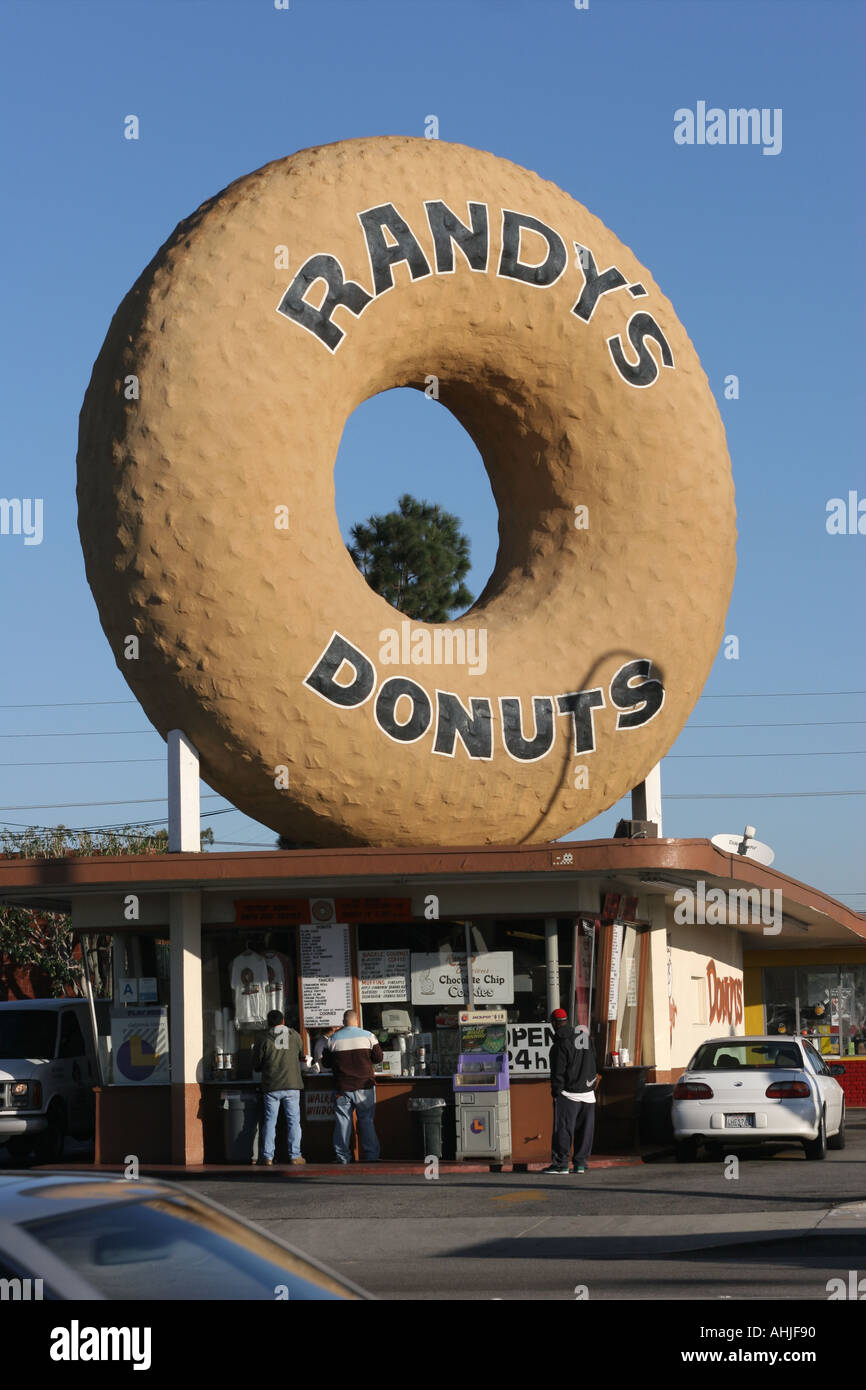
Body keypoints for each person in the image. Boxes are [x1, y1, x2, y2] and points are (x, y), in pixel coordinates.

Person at [542, 1007, 599, 1175]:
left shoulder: (560, 1044)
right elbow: (593, 1060)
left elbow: (558, 1072)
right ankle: (580, 1163)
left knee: (564, 1130)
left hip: (569, 1094)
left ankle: (561, 1164)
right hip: (589, 1093)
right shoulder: (584, 1037)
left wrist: (556, 1092)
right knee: (584, 1131)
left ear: (554, 1023)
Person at [321, 1009, 383, 1164]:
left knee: (343, 1121)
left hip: (342, 1087)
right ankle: (371, 1155)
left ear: (343, 1022)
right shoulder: (369, 1036)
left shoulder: (333, 1039)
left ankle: (343, 1157)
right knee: (366, 1120)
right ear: (357, 1021)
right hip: (364, 1086)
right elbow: (378, 1058)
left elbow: (326, 1063)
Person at [252, 1008, 306, 1166]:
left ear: (269, 1023)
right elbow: (301, 1055)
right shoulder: (295, 1035)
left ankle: (267, 1156)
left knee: (270, 1121)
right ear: (283, 1021)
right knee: (293, 1121)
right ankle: (295, 1156)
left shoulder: (262, 1037)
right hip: (292, 1084)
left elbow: (256, 1064)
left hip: (272, 1085)